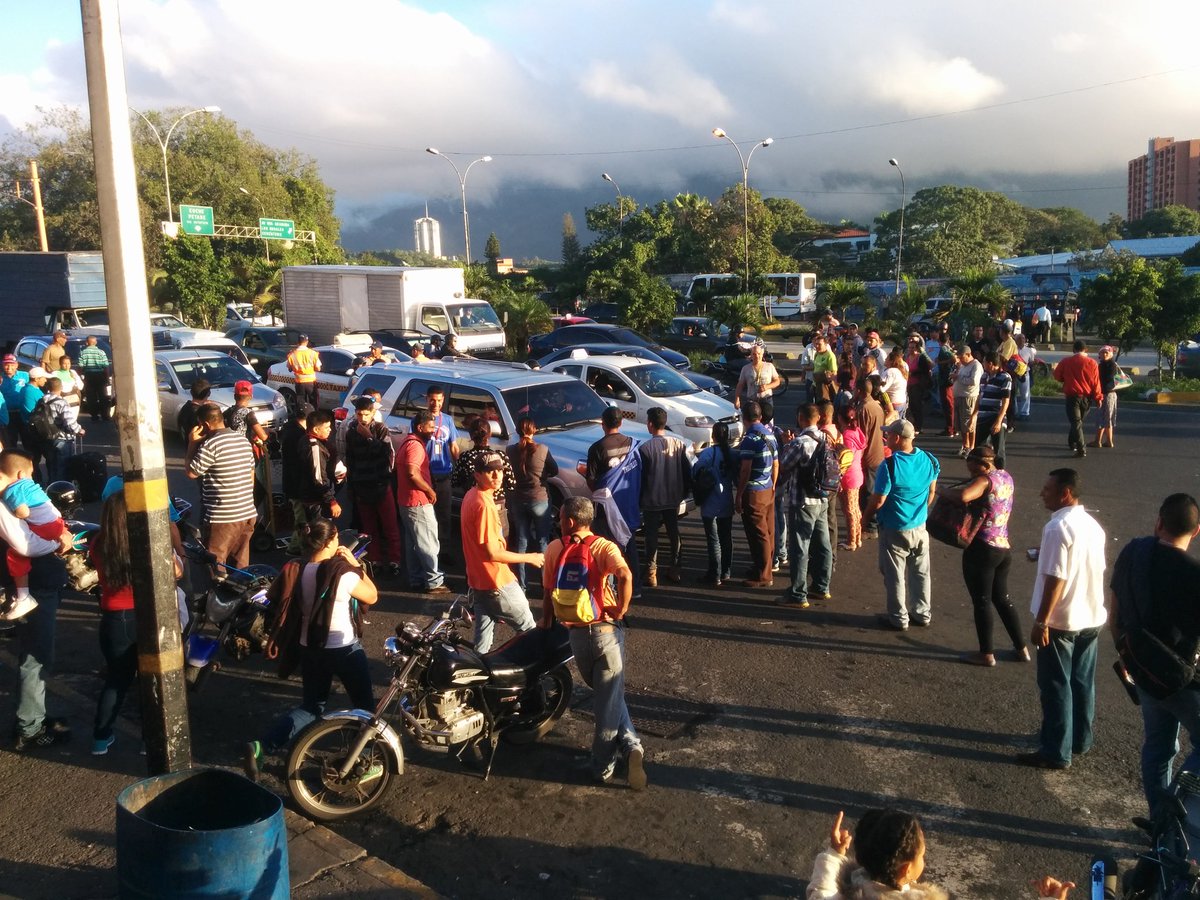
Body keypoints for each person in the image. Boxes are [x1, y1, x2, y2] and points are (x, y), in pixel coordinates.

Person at [245, 518, 378, 776]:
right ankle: (361, 762)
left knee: (311, 706)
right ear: (329, 542)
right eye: (337, 538)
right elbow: (372, 595)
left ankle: (263, 746)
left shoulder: (300, 570)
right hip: (343, 648)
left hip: (310, 647)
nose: (339, 542)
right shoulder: (342, 574)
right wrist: (354, 563)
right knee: (365, 708)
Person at [540, 497, 645, 790]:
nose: (559, 522)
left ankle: (630, 744)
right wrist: (621, 610)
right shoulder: (604, 547)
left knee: (606, 696)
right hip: (607, 633)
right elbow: (625, 574)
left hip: (577, 636)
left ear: (570, 522)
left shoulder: (555, 548)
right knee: (606, 700)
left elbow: (548, 592)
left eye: (561, 518)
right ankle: (603, 766)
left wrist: (546, 621)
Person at [1108, 494, 1200, 818]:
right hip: (1184, 681)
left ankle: (1161, 824)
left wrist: (1127, 654)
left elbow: (1114, 614)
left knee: (1158, 748)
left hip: (1143, 667)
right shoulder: (1194, 574)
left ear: (1159, 522)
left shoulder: (1135, 553)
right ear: (1197, 530)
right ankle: (1178, 811)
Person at [1019, 468, 1107, 769]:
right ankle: (1080, 739)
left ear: (1065, 493)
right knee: (1082, 682)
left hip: (1061, 621)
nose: (1042, 493)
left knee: (1056, 685)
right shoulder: (1092, 525)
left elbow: (1056, 578)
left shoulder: (1057, 528)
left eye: (1048, 489)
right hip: (1091, 615)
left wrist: (1041, 621)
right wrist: (1041, 552)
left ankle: (1056, 750)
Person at [87, 490, 185, 756]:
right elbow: (177, 572)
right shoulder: (147, 543)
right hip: (148, 617)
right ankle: (149, 740)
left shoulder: (98, 543)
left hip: (113, 619)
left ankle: (100, 738)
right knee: (151, 682)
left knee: (116, 681)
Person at [806, 809, 1076, 900]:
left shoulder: (850, 888)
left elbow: (820, 891)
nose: (925, 858)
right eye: (922, 855)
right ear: (904, 870)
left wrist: (835, 854)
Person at [0, 459, 71, 751]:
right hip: (35, 585)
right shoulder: (7, 499)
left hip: (41, 580)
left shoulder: (14, 492)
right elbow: (25, 545)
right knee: (36, 657)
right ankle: (29, 728)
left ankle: (34, 717)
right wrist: (59, 542)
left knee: (38, 654)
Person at [943, 446, 1027, 667]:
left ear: (985, 465)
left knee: (982, 601)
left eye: (974, 471)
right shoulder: (1006, 477)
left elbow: (963, 496)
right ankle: (1021, 648)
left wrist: (940, 491)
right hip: (1002, 546)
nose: (972, 476)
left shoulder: (986, 480)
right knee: (1003, 598)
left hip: (982, 547)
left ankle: (986, 653)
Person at [864, 420, 940, 631]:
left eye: (888, 435)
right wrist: (919, 511)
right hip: (919, 526)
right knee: (921, 572)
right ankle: (922, 613)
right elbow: (931, 492)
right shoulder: (929, 459)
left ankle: (899, 617)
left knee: (895, 575)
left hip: (895, 527)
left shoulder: (889, 465)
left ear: (897, 438)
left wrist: (865, 518)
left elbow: (878, 500)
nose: (885, 437)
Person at [462, 452, 542, 652]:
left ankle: (475, 679)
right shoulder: (484, 505)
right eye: (490, 472)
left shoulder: (471, 496)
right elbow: (493, 553)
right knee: (529, 630)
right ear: (477, 475)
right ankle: (527, 678)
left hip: (478, 582)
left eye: (500, 471)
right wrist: (529, 557)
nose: (497, 476)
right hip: (496, 581)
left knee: (482, 643)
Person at [185, 403, 257, 571]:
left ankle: (219, 594)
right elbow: (251, 473)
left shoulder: (211, 445)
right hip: (247, 512)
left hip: (222, 517)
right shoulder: (243, 440)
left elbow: (191, 473)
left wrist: (191, 444)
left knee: (217, 563)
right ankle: (241, 593)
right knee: (240, 563)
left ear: (205, 425)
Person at [777, 404, 833, 609]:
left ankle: (798, 593)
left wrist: (785, 444)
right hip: (822, 498)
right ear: (818, 418)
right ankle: (821, 586)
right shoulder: (827, 439)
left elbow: (783, 465)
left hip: (802, 501)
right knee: (822, 544)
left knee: (800, 547)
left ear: (801, 418)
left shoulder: (799, 443)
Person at [584, 406, 642, 599]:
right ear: (621, 422)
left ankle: (608, 590)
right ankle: (635, 588)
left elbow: (591, 479)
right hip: (629, 501)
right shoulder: (632, 443)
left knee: (606, 546)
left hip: (607, 505)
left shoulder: (597, 448)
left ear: (603, 424)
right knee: (629, 542)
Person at [0, 450, 65, 621]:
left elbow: (24, 545)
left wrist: (55, 544)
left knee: (14, 555)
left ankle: (23, 597)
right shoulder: (26, 486)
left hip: (41, 568)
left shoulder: (11, 491)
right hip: (56, 523)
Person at [343, 396, 402, 578]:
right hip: (362, 486)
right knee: (369, 529)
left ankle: (394, 560)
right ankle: (374, 560)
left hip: (382, 485)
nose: (362, 418)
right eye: (359, 414)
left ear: (373, 414)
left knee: (390, 526)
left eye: (366, 414)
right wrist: (351, 487)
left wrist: (369, 438)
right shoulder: (351, 431)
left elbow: (385, 454)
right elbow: (350, 461)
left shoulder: (381, 430)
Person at [396, 410, 448, 594]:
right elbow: (412, 472)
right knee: (428, 542)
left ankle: (416, 579)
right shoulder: (416, 446)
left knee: (413, 543)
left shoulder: (407, 442)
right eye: (431, 427)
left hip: (406, 500)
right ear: (420, 427)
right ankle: (434, 581)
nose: (434, 431)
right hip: (417, 501)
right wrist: (429, 489)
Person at [638, 407, 690, 587]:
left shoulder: (645, 448)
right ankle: (675, 568)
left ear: (650, 425)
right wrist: (684, 492)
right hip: (673, 497)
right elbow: (686, 471)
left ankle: (651, 572)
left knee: (651, 535)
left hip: (652, 498)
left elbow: (642, 478)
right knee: (673, 532)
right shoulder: (678, 444)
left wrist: (640, 498)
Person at [505, 417, 558, 593]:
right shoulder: (542, 449)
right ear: (533, 430)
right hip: (539, 498)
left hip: (519, 499)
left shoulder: (510, 450)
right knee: (543, 540)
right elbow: (554, 470)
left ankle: (522, 584)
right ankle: (545, 581)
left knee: (521, 541)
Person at [736, 401, 778, 588]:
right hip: (768, 487)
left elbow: (745, 469)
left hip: (754, 491)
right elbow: (776, 464)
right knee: (768, 531)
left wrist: (739, 494)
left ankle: (764, 575)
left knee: (758, 534)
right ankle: (763, 567)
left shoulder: (749, 439)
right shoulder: (770, 434)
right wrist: (773, 485)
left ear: (744, 417)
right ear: (760, 416)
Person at [692, 421, 736, 586]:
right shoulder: (732, 454)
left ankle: (714, 574)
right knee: (726, 538)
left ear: (713, 435)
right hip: (726, 502)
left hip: (711, 502)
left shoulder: (708, 453)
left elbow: (695, 471)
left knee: (713, 540)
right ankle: (726, 571)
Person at [423, 386, 460, 559]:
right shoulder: (421, 419)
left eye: (438, 400)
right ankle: (429, 550)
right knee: (427, 516)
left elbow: (453, 445)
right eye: (432, 400)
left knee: (444, 514)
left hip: (444, 472)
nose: (435, 404)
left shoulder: (448, 420)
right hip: (427, 475)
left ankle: (444, 549)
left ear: (443, 400)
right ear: (426, 399)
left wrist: (458, 464)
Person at [452, 415, 515, 516]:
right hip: (496, 505)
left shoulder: (465, 457)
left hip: (475, 503)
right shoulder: (500, 456)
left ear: (471, 435)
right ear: (489, 434)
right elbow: (511, 485)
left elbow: (455, 482)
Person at [1053, 339, 1102, 459]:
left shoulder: (1066, 361)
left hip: (1072, 396)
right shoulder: (1092, 363)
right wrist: (1098, 397)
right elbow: (1096, 383)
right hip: (1087, 398)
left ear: (1073, 349)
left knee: (1076, 423)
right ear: (1086, 350)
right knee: (1078, 422)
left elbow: (1057, 375)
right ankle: (1072, 442)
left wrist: (1066, 379)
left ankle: (1081, 448)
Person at [294, 409, 342, 523]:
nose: (330, 430)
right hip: (315, 500)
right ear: (316, 429)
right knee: (321, 533)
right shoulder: (314, 447)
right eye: (326, 428)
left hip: (310, 495)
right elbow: (319, 478)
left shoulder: (306, 439)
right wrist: (331, 501)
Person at [280, 403, 314, 555]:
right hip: (297, 484)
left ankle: (295, 545)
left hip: (290, 481)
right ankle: (295, 548)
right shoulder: (300, 435)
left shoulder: (288, 429)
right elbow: (300, 463)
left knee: (299, 515)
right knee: (301, 517)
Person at [855, 376, 886, 540]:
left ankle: (871, 526)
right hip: (878, 453)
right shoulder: (877, 406)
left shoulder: (863, 409)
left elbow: (861, 438)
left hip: (868, 456)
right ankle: (875, 523)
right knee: (875, 490)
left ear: (859, 391)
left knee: (868, 493)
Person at [38, 376, 85, 483]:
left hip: (47, 437)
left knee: (51, 464)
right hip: (62, 438)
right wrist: (79, 430)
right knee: (63, 466)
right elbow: (69, 421)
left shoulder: (42, 400)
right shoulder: (61, 402)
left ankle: (52, 487)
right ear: (61, 387)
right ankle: (62, 489)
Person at [836, 404, 865, 551]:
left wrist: (839, 477)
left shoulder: (846, 435)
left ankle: (851, 540)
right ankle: (857, 537)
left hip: (848, 476)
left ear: (841, 418)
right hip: (857, 473)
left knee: (849, 510)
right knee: (855, 508)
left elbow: (845, 459)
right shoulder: (857, 431)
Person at [975, 353, 1011, 469]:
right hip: (982, 417)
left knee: (998, 450)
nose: (983, 364)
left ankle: (1001, 476)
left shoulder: (1005, 377)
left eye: (984, 362)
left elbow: (1005, 401)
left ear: (991, 364)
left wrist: (999, 421)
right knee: (978, 449)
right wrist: (973, 416)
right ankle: (980, 473)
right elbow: (979, 397)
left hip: (996, 416)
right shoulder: (984, 376)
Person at [951, 345, 982, 459]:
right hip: (959, 397)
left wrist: (958, 377)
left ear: (968, 355)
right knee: (960, 425)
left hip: (969, 398)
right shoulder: (963, 366)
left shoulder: (976, 366)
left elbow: (974, 381)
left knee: (969, 424)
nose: (960, 360)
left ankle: (971, 447)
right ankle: (965, 445)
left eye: (961, 357)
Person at [18, 368, 49, 481]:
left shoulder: (24, 389)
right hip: (35, 429)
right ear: (36, 379)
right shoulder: (34, 392)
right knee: (37, 457)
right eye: (43, 378)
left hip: (26, 427)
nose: (45, 380)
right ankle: (38, 481)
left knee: (32, 456)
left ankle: (36, 479)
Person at [734, 339, 781, 410]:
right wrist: (737, 399)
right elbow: (740, 385)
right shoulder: (746, 368)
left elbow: (777, 381)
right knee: (753, 420)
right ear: (751, 356)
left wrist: (767, 387)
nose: (757, 356)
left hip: (766, 400)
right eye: (754, 354)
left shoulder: (769, 366)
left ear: (762, 354)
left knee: (767, 420)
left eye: (759, 354)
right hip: (751, 401)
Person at [77, 335, 111, 421]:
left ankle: (94, 415)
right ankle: (105, 415)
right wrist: (106, 378)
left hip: (89, 376)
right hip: (100, 376)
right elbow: (105, 367)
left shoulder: (83, 352)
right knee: (103, 396)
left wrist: (80, 377)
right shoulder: (101, 352)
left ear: (86, 343)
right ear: (95, 343)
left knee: (91, 397)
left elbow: (80, 366)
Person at [224, 380, 269, 445]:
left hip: (229, 447)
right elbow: (263, 437)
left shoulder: (227, 411)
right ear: (251, 396)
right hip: (244, 449)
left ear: (234, 396)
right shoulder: (248, 413)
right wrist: (267, 431)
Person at [904, 334, 933, 433]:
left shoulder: (920, 358)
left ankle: (919, 426)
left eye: (913, 347)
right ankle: (913, 425)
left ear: (917, 348)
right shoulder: (907, 357)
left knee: (917, 405)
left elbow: (925, 370)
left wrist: (914, 373)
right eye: (909, 347)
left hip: (917, 384)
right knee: (911, 405)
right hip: (909, 384)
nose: (911, 349)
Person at [1092, 345, 1119, 449]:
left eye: (1106, 353)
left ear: (1111, 354)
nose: (1104, 354)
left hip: (1107, 393)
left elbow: (1106, 380)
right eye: (1102, 353)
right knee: (1106, 418)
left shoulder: (1109, 365)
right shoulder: (1105, 364)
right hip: (1109, 393)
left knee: (1103, 417)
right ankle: (1105, 441)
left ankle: (1101, 441)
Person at [286, 334, 322, 410]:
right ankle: (314, 418)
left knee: (301, 403)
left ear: (298, 342)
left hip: (299, 382)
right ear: (307, 342)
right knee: (314, 402)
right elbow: (318, 368)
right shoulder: (313, 353)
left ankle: (303, 417)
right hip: (311, 382)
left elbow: (289, 368)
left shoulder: (292, 354)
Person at [1, 355, 30, 448]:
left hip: (23, 414)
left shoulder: (25, 375)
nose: (9, 368)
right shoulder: (0, 378)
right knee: (10, 442)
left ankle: (31, 462)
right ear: (2, 365)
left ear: (16, 365)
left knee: (28, 441)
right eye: (6, 365)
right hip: (8, 415)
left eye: (12, 364)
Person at [934, 331, 957, 436]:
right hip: (946, 379)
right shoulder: (948, 348)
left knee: (948, 405)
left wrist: (940, 362)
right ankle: (951, 427)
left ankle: (950, 428)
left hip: (945, 380)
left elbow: (953, 359)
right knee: (948, 404)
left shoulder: (944, 349)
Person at [808, 332, 838, 404]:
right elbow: (816, 368)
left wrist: (824, 375)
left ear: (826, 344)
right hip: (816, 385)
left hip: (825, 387)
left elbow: (833, 373)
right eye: (816, 344)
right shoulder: (817, 354)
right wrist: (813, 384)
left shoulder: (830, 356)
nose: (817, 346)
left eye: (819, 344)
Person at [881, 347, 909, 420]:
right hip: (901, 402)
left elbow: (882, 388)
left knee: (892, 427)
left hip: (893, 404)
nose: (885, 359)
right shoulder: (900, 371)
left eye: (887, 358)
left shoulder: (891, 372)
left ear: (891, 361)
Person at [1014, 333, 1036, 420]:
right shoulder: (1013, 349)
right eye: (1019, 339)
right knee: (1013, 394)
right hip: (1014, 374)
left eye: (1023, 338)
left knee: (1025, 394)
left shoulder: (1029, 350)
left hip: (1024, 374)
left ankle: (1024, 412)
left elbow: (1031, 362)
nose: (1021, 340)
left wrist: (1031, 364)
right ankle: (1014, 411)